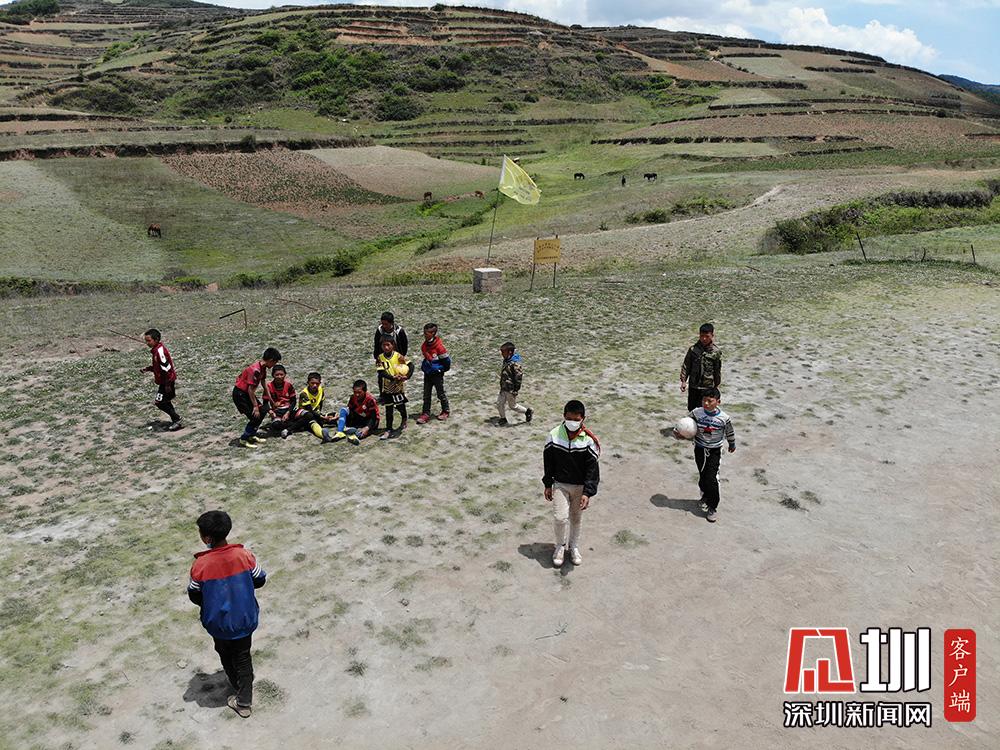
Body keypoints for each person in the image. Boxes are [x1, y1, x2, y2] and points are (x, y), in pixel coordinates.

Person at [187, 510, 266, 719]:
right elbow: (260, 579)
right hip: (244, 619)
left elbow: (194, 594)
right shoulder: (244, 555)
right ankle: (244, 693)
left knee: (225, 654)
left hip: (218, 624)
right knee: (243, 656)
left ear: (206, 538)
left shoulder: (200, 565)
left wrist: (212, 603)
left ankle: (240, 692)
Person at [542, 399, 600, 568]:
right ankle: (560, 546)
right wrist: (548, 484)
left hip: (580, 487)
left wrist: (587, 492)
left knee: (575, 518)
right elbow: (548, 463)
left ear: (583, 419)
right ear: (564, 416)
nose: (572, 422)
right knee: (560, 518)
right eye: (569, 418)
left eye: (576, 419)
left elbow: (592, 469)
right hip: (561, 484)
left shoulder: (588, 440)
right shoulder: (554, 435)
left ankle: (573, 546)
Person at [674, 387, 736, 523]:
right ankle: (705, 496)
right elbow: (685, 424)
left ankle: (712, 507)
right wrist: (678, 432)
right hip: (699, 449)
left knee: (711, 478)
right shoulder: (697, 413)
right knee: (702, 475)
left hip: (714, 451)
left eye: (710, 401)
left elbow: (730, 432)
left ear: (718, 402)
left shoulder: (724, 418)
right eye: (704, 400)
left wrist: (732, 444)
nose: (706, 403)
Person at [232, 347, 281, 448]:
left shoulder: (263, 368)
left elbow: (264, 384)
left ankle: (251, 435)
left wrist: (271, 400)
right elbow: (250, 389)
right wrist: (255, 406)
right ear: (271, 360)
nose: (274, 365)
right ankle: (244, 439)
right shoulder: (255, 370)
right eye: (275, 363)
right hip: (240, 394)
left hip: (247, 394)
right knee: (255, 416)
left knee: (263, 410)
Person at [141, 328, 182, 431]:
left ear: (156, 340)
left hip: (167, 381)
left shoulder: (160, 352)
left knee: (159, 402)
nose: (147, 343)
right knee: (166, 401)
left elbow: (167, 368)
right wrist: (148, 369)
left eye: (149, 341)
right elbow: (158, 367)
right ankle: (175, 420)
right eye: (146, 341)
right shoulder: (156, 351)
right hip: (164, 381)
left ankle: (177, 419)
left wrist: (168, 384)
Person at [376, 336, 413, 439]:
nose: (386, 347)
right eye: (384, 345)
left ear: (393, 345)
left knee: (400, 405)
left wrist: (407, 376)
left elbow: (411, 365)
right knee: (389, 409)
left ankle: (404, 418)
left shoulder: (398, 356)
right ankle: (388, 429)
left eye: (388, 345)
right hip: (387, 388)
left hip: (398, 388)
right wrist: (392, 377)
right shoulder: (380, 358)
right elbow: (381, 372)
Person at [680, 323, 722, 412]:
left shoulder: (716, 352)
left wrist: (717, 384)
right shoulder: (693, 350)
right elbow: (686, 365)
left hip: (707, 386)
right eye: (702, 336)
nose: (704, 339)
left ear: (712, 335)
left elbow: (717, 370)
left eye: (707, 336)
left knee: (705, 408)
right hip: (694, 385)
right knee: (692, 408)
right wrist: (684, 381)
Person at [282, 371, 334, 441]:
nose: (315, 385)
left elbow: (320, 403)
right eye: (312, 383)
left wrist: (321, 415)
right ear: (308, 383)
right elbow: (309, 410)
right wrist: (322, 417)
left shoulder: (321, 390)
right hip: (305, 415)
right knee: (313, 422)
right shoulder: (304, 394)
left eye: (317, 383)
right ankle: (323, 435)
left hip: (316, 413)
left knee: (334, 415)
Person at [416, 322, 451, 423]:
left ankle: (445, 411)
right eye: (424, 332)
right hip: (428, 373)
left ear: (433, 333)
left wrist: (440, 370)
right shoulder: (424, 346)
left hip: (437, 375)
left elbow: (446, 361)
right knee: (426, 394)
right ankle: (425, 413)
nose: (424, 335)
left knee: (440, 393)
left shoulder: (439, 348)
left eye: (426, 333)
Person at [329, 379, 380, 444]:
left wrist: (367, 428)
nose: (357, 394)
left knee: (364, 431)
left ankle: (354, 436)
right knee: (343, 410)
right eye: (355, 392)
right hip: (360, 417)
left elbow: (374, 417)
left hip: (371, 420)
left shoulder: (370, 400)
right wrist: (340, 416)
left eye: (359, 392)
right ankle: (340, 432)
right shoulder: (353, 397)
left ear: (365, 391)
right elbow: (350, 409)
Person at [496, 341, 532, 425]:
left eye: (503, 352)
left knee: (512, 406)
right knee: (499, 403)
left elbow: (518, 378)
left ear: (510, 352)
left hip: (510, 389)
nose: (502, 354)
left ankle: (527, 411)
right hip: (504, 387)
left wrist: (515, 390)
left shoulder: (515, 364)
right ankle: (503, 418)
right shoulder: (506, 360)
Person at [262, 365, 296, 431]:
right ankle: (294, 426)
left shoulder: (288, 385)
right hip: (277, 412)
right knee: (276, 425)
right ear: (273, 375)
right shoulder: (268, 387)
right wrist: (270, 412)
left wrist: (288, 413)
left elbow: (293, 401)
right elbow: (265, 402)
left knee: (308, 415)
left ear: (285, 374)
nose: (279, 377)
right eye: (277, 375)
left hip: (289, 410)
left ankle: (289, 426)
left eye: (281, 374)